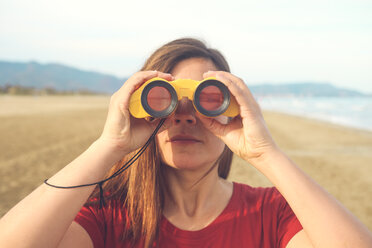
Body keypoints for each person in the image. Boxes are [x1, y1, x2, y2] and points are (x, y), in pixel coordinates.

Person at [0, 38, 371, 248]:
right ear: (138, 107)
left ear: (234, 109)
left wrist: (266, 153)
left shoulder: (271, 214)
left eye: (208, 100)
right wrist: (109, 145)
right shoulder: (108, 216)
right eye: (164, 100)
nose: (185, 115)